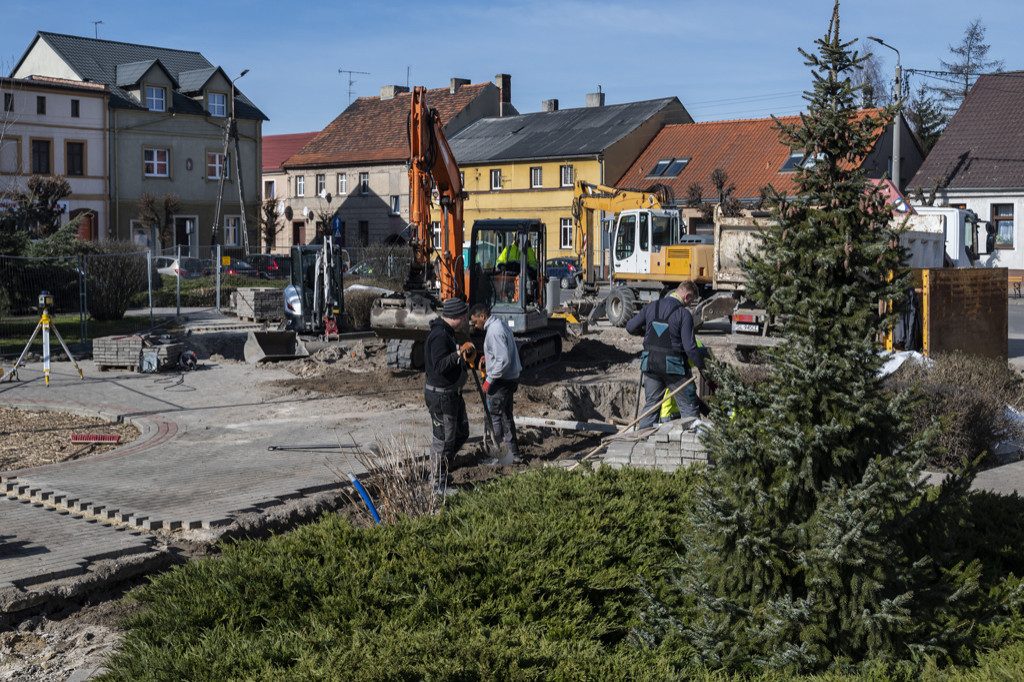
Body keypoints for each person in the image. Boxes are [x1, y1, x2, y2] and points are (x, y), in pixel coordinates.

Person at [625, 280, 707, 429]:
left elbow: (630, 327)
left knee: (651, 406)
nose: (689, 304)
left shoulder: (652, 306)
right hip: (674, 367)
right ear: (687, 296)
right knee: (689, 406)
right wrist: (703, 367)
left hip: (650, 363)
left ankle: (642, 441)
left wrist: (648, 333)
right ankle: (693, 444)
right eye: (692, 301)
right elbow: (690, 347)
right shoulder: (683, 314)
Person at [424, 297, 475, 487]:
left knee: (461, 433)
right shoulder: (439, 336)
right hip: (441, 397)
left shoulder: (447, 333)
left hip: (452, 395)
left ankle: (442, 470)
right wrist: (457, 355)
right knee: (444, 440)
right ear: (454, 316)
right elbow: (439, 366)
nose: (465, 321)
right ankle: (437, 484)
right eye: (463, 317)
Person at [469, 304, 522, 464]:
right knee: (506, 416)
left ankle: (497, 457)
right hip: (510, 379)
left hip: (500, 381)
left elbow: (503, 359)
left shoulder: (493, 331)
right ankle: (514, 454)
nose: (475, 325)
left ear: (483, 317)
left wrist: (489, 380)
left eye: (475, 321)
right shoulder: (501, 325)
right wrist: (489, 359)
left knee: (494, 418)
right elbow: (501, 354)